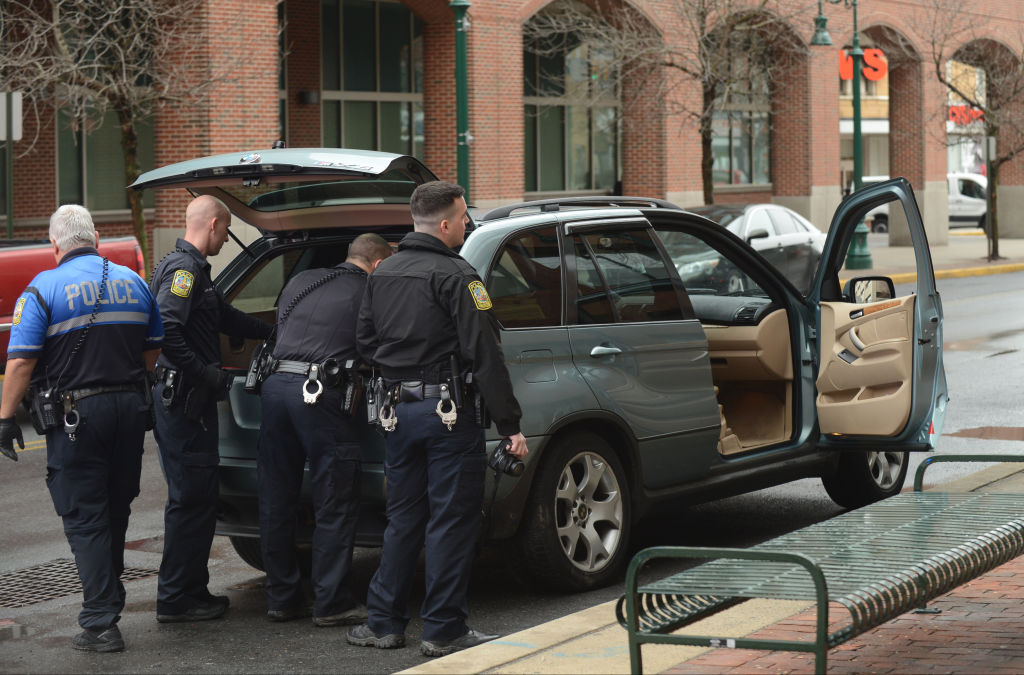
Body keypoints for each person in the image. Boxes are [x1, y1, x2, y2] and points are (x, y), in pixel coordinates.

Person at [348, 181, 528, 657]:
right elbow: (485, 354)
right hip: (448, 415)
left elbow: (364, 343)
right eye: (464, 216)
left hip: (396, 413)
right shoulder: (460, 276)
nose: (468, 223)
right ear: (445, 224)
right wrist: (510, 426)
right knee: (451, 520)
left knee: (403, 518)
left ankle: (384, 622)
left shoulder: (382, 273)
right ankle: (444, 628)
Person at [0, 205, 163, 652]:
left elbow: (21, 360)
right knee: (114, 511)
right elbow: (152, 352)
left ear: (55, 245)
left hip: (76, 419)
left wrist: (5, 417)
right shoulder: (134, 283)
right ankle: (109, 601)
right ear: (95, 237)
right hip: (130, 410)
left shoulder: (41, 289)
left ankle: (100, 622)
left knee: (84, 516)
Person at [257, 233, 392, 625]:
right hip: (319, 394)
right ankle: (332, 602)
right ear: (378, 265)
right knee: (334, 496)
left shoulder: (301, 280)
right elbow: (373, 349)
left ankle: (282, 598)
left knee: (276, 496)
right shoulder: (371, 292)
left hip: (275, 387)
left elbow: (282, 327)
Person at [150, 195, 272, 623]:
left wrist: (272, 331)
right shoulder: (184, 272)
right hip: (185, 403)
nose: (224, 239)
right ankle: (177, 599)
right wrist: (206, 373)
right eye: (225, 232)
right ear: (216, 225)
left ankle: (189, 591)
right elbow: (167, 328)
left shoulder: (194, 271)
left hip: (189, 403)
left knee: (197, 499)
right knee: (190, 501)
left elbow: (223, 317)